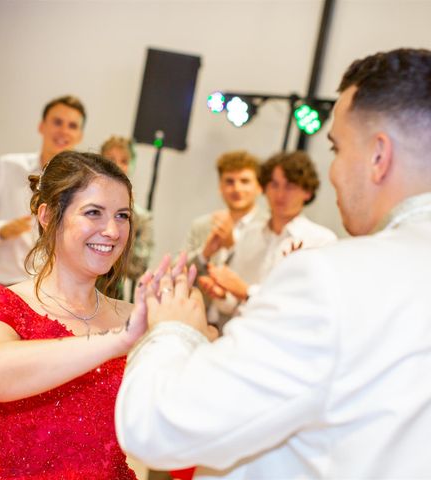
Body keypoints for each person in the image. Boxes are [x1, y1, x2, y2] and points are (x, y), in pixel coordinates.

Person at [116, 47, 431, 478]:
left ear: (379, 156)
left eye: (337, 148)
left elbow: (155, 429)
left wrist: (174, 331)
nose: (335, 171)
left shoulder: (332, 277)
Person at [0, 151, 145, 479]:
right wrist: (118, 340)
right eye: (93, 212)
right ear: (48, 216)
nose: (111, 230)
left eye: (122, 216)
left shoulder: (135, 316)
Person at [0, 94, 86, 470]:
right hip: (3, 295)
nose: (63, 131)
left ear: (81, 134)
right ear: (42, 126)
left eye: (72, 125)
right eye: (57, 122)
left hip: (54, 304)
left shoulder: (84, 184)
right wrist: (0, 230)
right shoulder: (9, 169)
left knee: (37, 408)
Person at [200, 150, 337, 324]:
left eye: (290, 186)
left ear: (307, 192)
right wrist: (221, 295)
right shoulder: (250, 233)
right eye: (274, 184)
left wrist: (246, 292)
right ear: (263, 188)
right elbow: (233, 304)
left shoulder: (319, 240)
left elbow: (308, 306)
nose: (280, 194)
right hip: (239, 331)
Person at [184, 150, 263, 330]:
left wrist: (232, 245)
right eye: (229, 181)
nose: (236, 188)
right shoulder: (202, 225)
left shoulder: (268, 229)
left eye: (245, 181)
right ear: (220, 186)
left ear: (259, 187)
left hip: (242, 326)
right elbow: (178, 272)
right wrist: (204, 254)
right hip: (198, 321)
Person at [101, 135, 153, 286]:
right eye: (111, 159)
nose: (116, 165)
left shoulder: (142, 217)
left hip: (111, 292)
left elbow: (136, 269)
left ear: (132, 165)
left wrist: (125, 219)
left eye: (124, 161)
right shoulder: (82, 201)